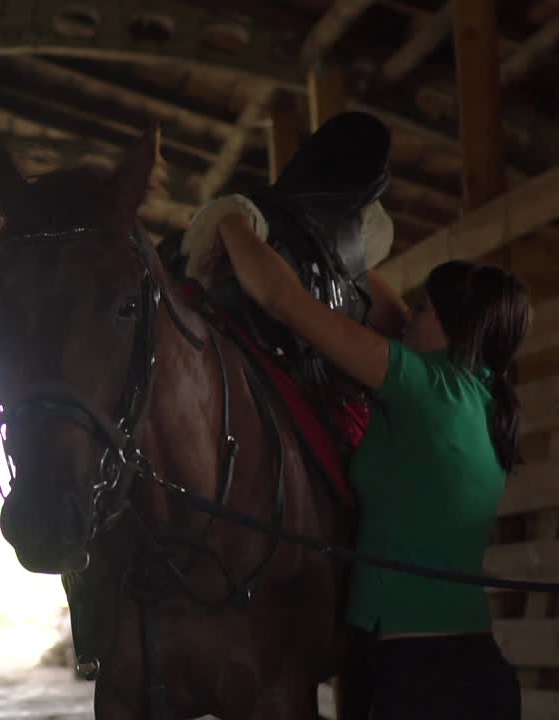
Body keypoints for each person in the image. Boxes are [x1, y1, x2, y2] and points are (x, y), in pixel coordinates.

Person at [215, 209, 531, 719]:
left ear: (451, 327)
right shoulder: (483, 394)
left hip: (418, 678)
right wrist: (337, 249)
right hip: (465, 666)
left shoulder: (424, 386)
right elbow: (391, 316)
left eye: (423, 309)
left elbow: (281, 299)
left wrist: (229, 221)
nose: (408, 319)